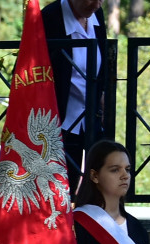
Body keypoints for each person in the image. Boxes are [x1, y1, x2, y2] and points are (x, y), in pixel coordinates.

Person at [42, 0, 108, 195]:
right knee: (60, 190)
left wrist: (103, 98)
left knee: (98, 187)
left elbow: (102, 62)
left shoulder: (97, 13)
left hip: (92, 119)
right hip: (58, 120)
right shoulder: (49, 18)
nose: (96, 4)